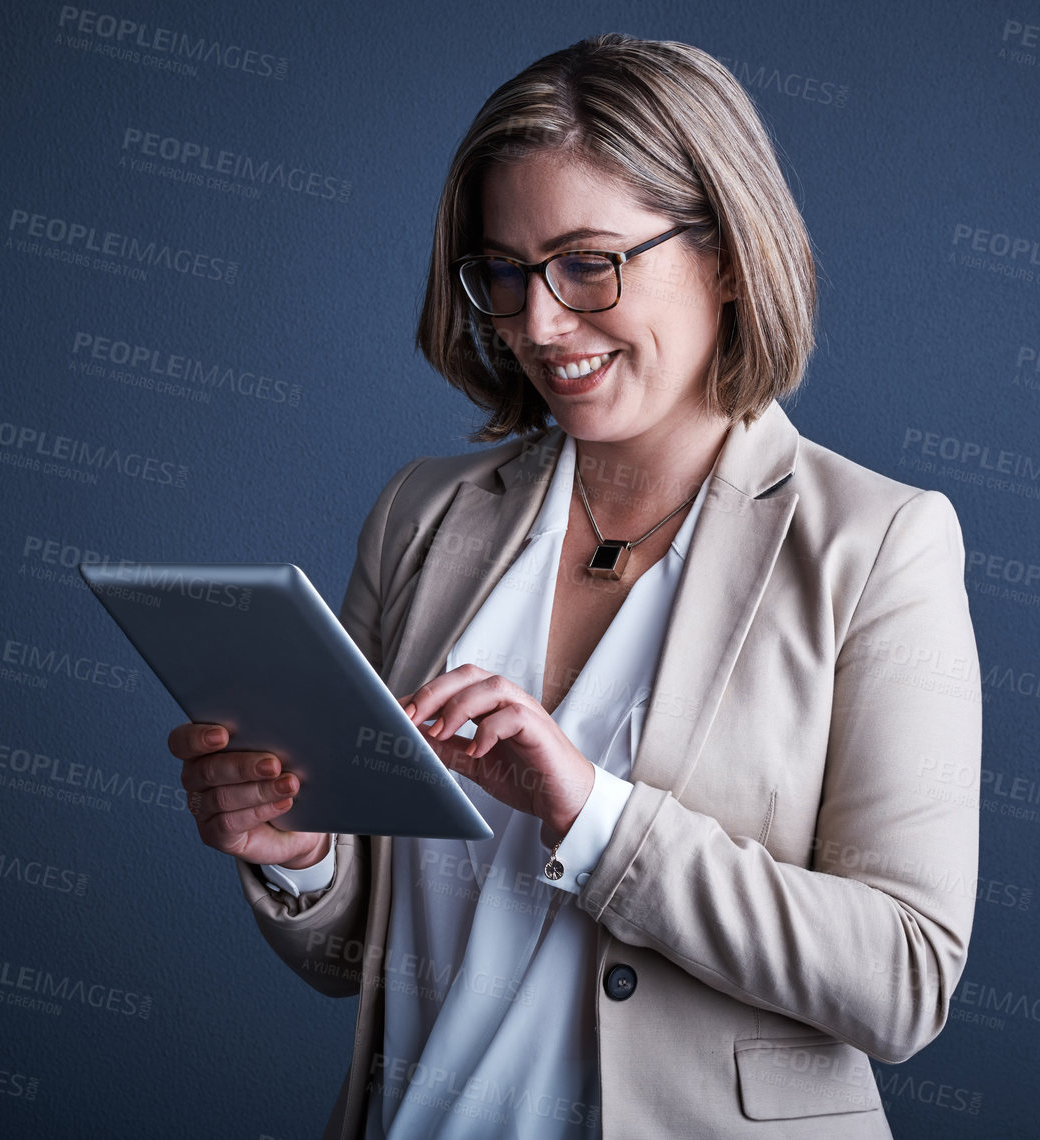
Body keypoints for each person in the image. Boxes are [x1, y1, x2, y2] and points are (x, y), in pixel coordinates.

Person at [168, 33, 981, 1140]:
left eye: (589, 263)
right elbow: (357, 958)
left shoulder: (879, 544)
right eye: (503, 272)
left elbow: (904, 976)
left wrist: (589, 814)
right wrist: (301, 858)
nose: (539, 325)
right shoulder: (425, 514)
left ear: (729, 256)